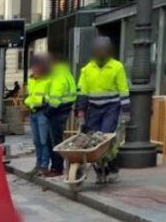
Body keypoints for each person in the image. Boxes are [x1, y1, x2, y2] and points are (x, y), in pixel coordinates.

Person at [76, 36, 130, 180]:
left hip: (111, 108)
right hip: (93, 108)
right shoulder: (87, 70)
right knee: (93, 139)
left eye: (103, 50)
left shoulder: (117, 67)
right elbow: (83, 92)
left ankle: (109, 166)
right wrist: (80, 112)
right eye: (98, 51)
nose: (100, 53)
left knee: (105, 137)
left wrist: (125, 111)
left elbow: (123, 90)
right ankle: (100, 168)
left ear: (108, 52)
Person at [44, 53, 78, 177]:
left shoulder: (58, 75)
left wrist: (47, 112)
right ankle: (56, 166)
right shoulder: (65, 73)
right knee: (53, 140)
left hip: (57, 111)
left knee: (54, 141)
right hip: (63, 109)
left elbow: (55, 98)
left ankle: (57, 168)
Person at [24, 55, 53, 176]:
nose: (35, 68)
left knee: (44, 141)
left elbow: (51, 96)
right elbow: (29, 95)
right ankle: (38, 164)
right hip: (33, 112)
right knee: (37, 141)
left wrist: (42, 101)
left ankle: (44, 166)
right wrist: (27, 102)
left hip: (43, 112)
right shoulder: (31, 80)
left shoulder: (48, 80)